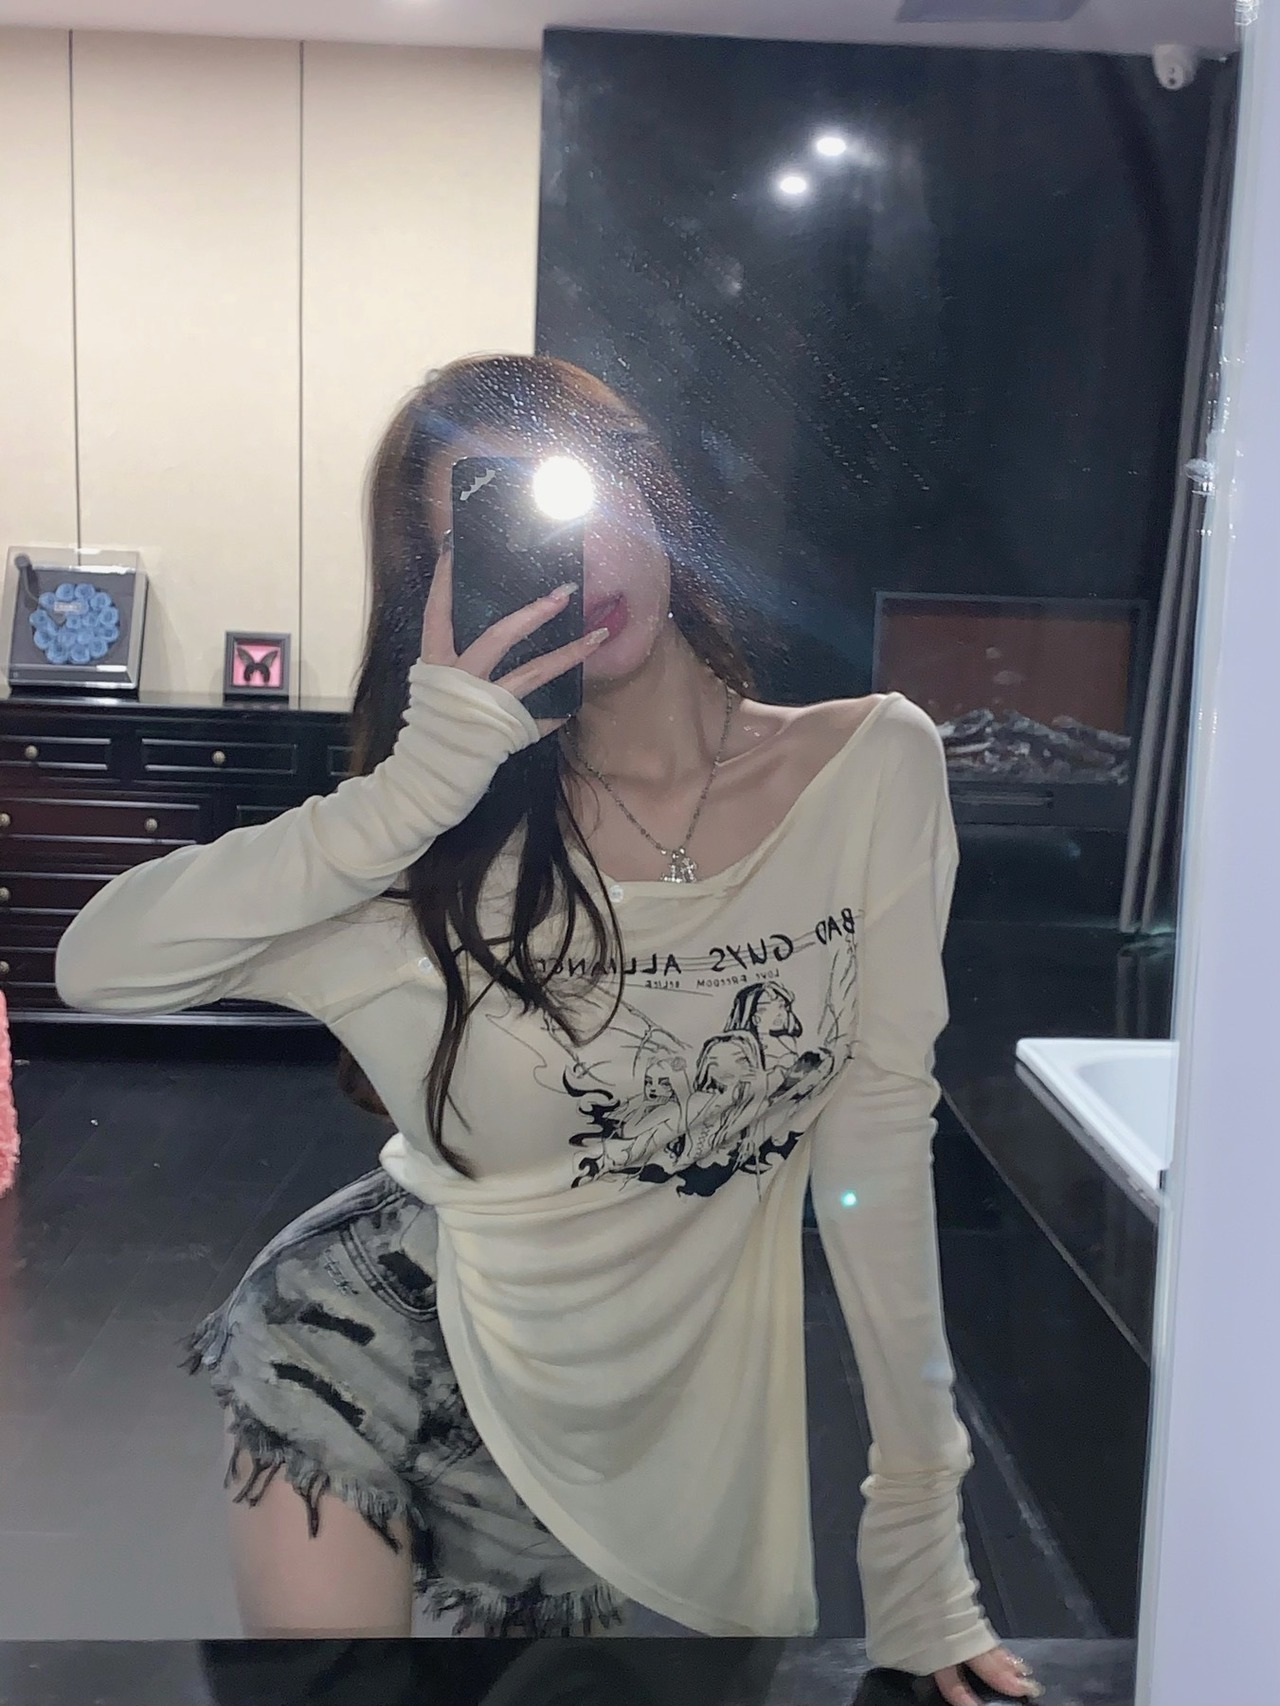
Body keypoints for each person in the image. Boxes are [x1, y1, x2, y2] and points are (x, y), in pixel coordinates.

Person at [55, 355, 1041, 1706]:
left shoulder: (871, 764)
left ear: (657, 495)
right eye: (502, 526)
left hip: (674, 1418)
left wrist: (919, 1530)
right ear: (446, 591)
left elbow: (878, 1127)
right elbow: (99, 962)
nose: (575, 557)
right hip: (372, 1356)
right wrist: (413, 786)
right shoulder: (437, 859)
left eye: (588, 486)